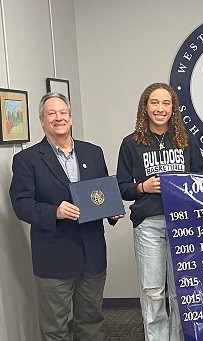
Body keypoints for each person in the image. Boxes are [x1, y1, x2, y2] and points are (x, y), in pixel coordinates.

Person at [9, 92, 122, 340]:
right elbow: (21, 204)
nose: (58, 118)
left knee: (91, 323)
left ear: (70, 117)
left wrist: (112, 212)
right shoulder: (26, 160)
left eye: (63, 112)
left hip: (92, 255)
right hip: (54, 257)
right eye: (51, 113)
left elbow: (101, 194)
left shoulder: (93, 152)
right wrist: (54, 212)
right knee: (55, 329)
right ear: (41, 120)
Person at [116, 83, 203, 341]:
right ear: (145, 107)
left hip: (183, 224)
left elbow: (202, 179)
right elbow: (122, 188)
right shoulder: (130, 144)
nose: (160, 108)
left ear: (173, 108)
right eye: (154, 102)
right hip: (148, 225)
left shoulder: (186, 141)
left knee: (181, 292)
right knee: (153, 291)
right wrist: (143, 186)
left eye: (166, 103)